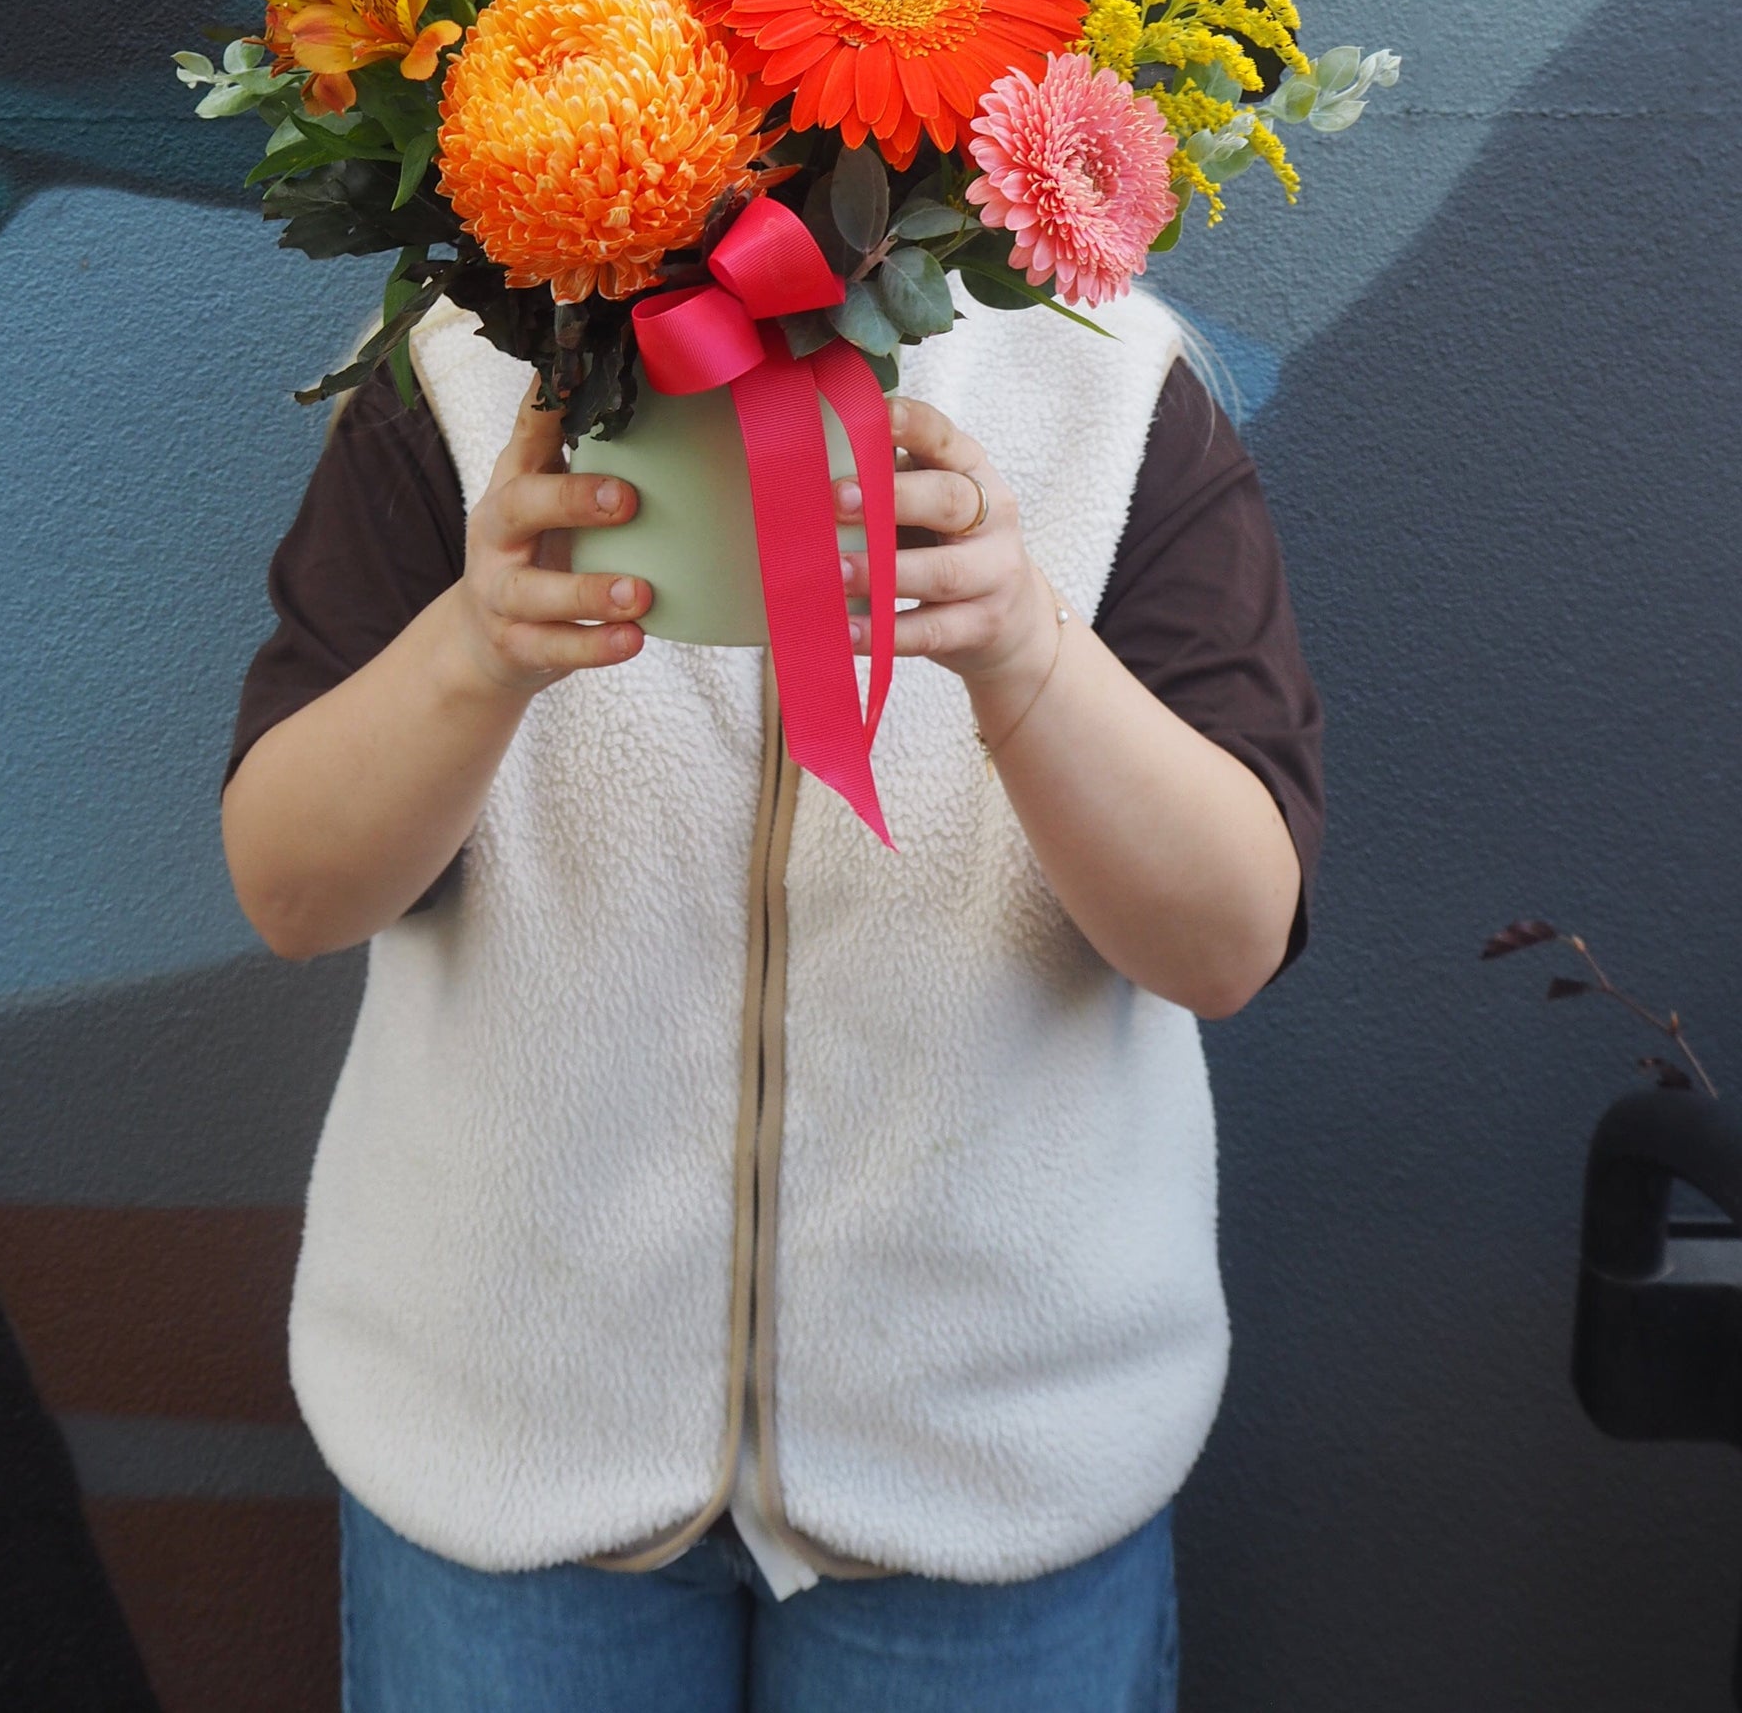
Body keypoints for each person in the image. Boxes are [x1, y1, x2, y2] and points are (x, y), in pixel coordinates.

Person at [222, 275, 1320, 1713]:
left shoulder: (1103, 384)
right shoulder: (468, 374)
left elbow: (1225, 940)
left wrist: (1025, 648)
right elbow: (293, 891)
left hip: (992, 1460)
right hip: (508, 1445)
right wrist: (476, 648)